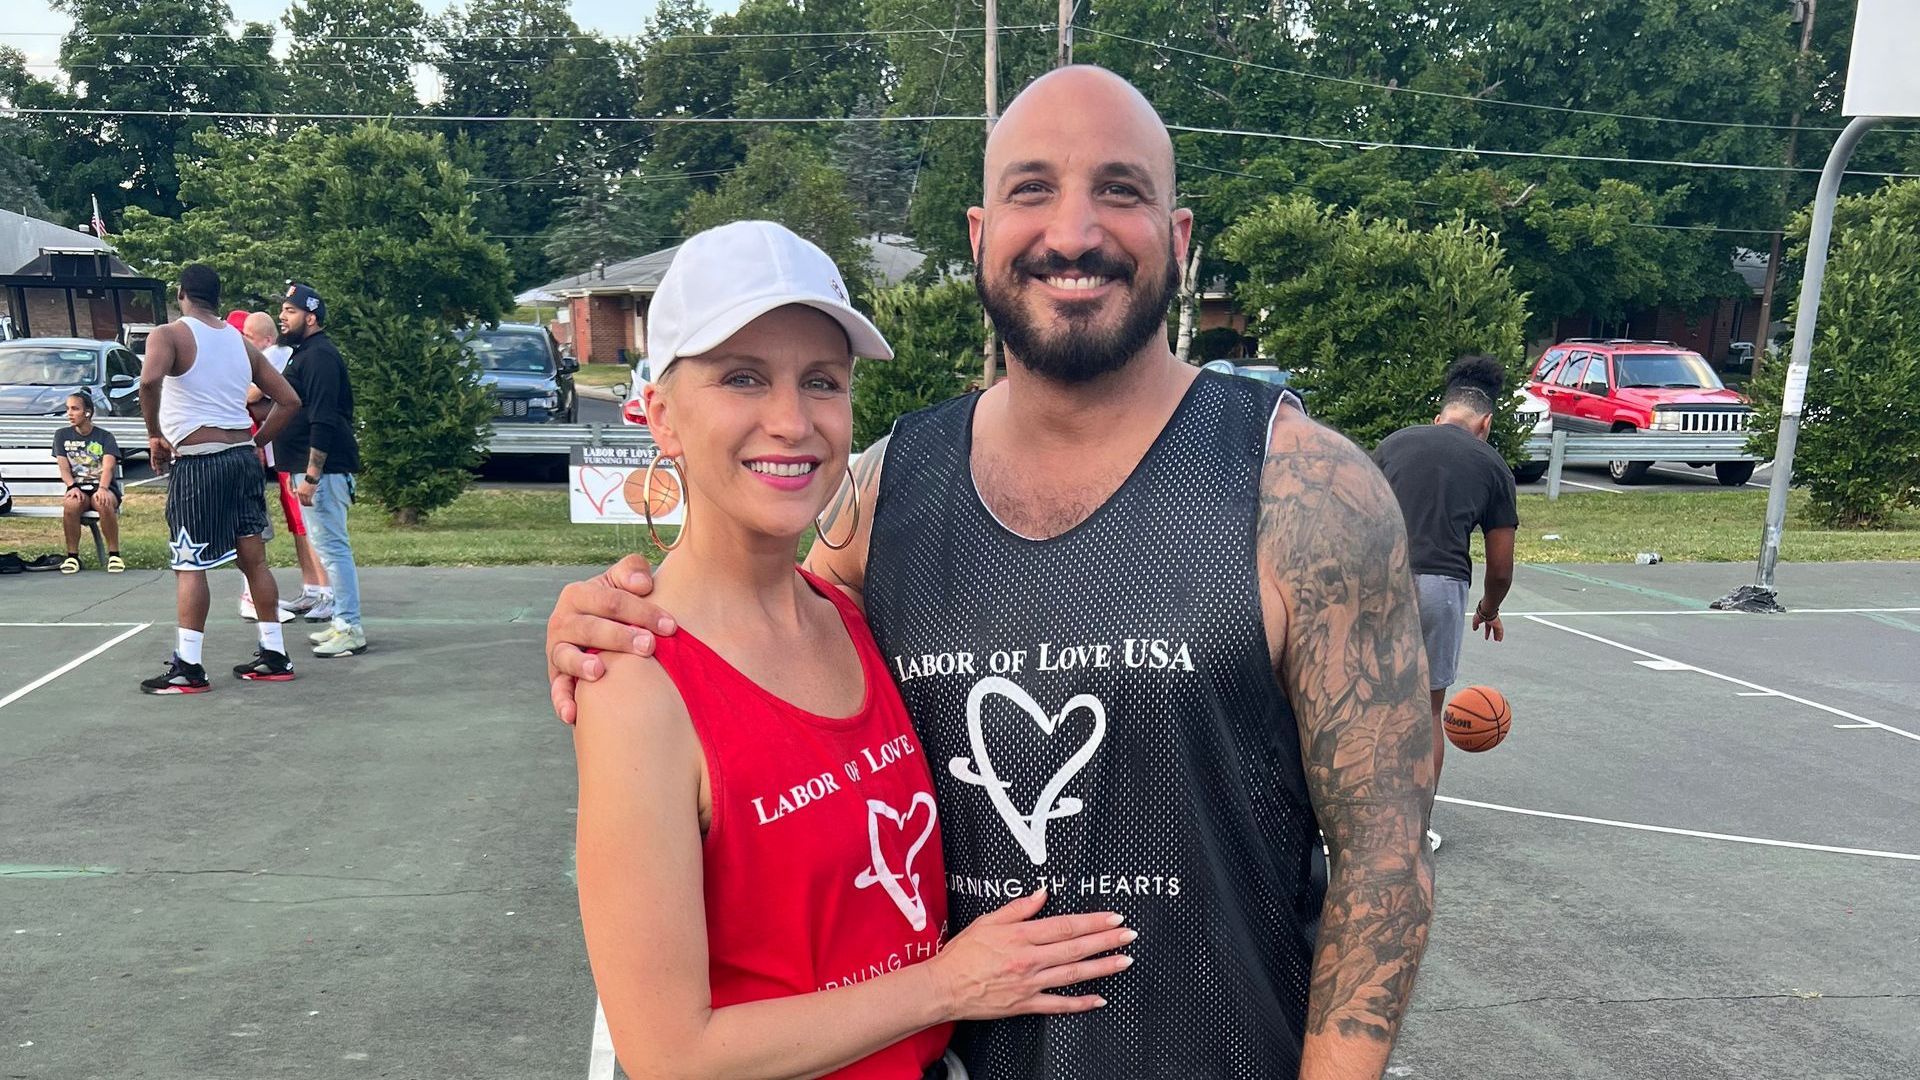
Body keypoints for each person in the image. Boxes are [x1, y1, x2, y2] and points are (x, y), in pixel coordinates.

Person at [547, 66, 1436, 1079]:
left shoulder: (1306, 490)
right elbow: (740, 627)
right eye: (1031, 189)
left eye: (1119, 189)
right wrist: (601, 625)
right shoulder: (887, 493)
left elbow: (1385, 862)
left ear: (1179, 237)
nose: (1074, 231)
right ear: (979, 235)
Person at [572, 220, 1134, 1080]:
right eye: (743, 378)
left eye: (822, 382)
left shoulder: (853, 616)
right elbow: (670, 1054)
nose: (791, 421)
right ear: (662, 417)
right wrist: (947, 986)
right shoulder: (636, 681)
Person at [1372, 355, 1519, 853]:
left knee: (1365, 704)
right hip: (1440, 584)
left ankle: (1349, 828)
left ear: (1440, 417)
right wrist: (1489, 608)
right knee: (1427, 711)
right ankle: (1413, 832)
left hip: (1378, 581)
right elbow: (1501, 566)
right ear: (1486, 424)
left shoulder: (1393, 445)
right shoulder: (1492, 466)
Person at [137, 264, 303, 693]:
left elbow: (149, 380)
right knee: (254, 561)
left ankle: (189, 666)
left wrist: (154, 434)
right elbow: (288, 401)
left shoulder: (169, 335)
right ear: (217, 297)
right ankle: (274, 654)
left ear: (182, 293)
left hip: (199, 462)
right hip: (242, 459)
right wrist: (255, 443)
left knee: (190, 562)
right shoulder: (240, 342)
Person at [275, 283, 365, 658]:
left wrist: (312, 475)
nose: (282, 316)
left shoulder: (320, 356)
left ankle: (350, 627)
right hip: (309, 470)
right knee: (327, 548)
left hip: (324, 472)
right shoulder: (304, 354)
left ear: (310, 318)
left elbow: (324, 418)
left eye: (290, 311)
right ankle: (342, 621)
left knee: (333, 549)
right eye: (282, 310)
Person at [235, 310, 331, 623]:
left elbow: (252, 393)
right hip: (283, 457)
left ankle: (327, 592)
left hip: (295, 454)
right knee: (298, 527)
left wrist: (250, 393)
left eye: (248, 336)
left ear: (265, 339)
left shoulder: (275, 355)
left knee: (309, 526)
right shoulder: (275, 355)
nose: (244, 341)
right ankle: (312, 588)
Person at [50, 392, 124, 574]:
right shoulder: (61, 435)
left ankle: (114, 554)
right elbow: (64, 468)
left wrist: (103, 488)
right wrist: (72, 486)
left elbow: (108, 467)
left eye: (75, 409)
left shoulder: (105, 436)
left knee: (103, 501)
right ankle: (72, 556)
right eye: (68, 409)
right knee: (70, 504)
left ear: (88, 412)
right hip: (78, 488)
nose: (69, 413)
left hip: (103, 486)